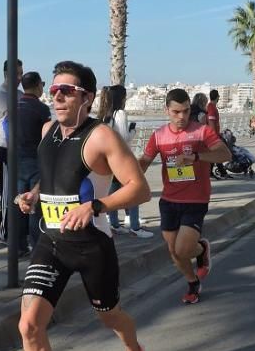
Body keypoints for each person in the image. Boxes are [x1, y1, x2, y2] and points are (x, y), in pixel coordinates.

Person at [12, 60, 150, 351]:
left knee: (110, 316)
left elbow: (139, 189)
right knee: (28, 326)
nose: (56, 96)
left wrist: (97, 207)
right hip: (51, 241)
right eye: (54, 89)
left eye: (66, 91)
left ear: (87, 98)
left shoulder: (101, 137)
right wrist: (34, 195)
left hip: (92, 245)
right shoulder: (45, 132)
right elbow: (52, 177)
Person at [139, 89, 232, 305]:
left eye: (186, 111)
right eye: (176, 112)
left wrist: (197, 157)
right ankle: (192, 283)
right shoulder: (159, 135)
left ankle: (201, 249)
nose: (182, 117)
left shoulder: (202, 132)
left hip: (195, 199)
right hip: (169, 200)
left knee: (182, 249)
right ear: (167, 111)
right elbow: (144, 161)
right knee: (174, 251)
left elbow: (225, 154)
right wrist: (127, 178)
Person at [98, 84, 152, 239]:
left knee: (112, 193)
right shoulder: (120, 114)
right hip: (122, 160)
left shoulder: (104, 115)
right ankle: (135, 227)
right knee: (134, 192)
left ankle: (114, 224)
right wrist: (133, 131)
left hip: (109, 162)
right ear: (121, 98)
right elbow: (123, 138)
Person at [16, 71, 50, 257]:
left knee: (19, 202)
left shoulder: (14, 106)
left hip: (17, 160)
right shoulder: (42, 109)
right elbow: (47, 137)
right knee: (35, 206)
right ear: (38, 85)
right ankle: (36, 246)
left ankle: (19, 245)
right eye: (43, 83)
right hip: (35, 161)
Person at [0, 58, 22, 243]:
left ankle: (18, 230)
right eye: (16, 74)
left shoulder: (19, 93)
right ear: (6, 74)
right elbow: (11, 118)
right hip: (4, 147)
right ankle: (4, 232)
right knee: (7, 192)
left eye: (21, 73)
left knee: (17, 191)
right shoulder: (1, 94)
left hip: (18, 147)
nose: (20, 77)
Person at [206, 89, 231, 179]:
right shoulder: (211, 107)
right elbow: (211, 122)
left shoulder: (211, 107)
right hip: (213, 136)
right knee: (217, 153)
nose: (219, 98)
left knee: (216, 153)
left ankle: (218, 172)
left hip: (214, 134)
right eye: (219, 96)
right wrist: (215, 136)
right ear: (217, 97)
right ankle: (219, 172)